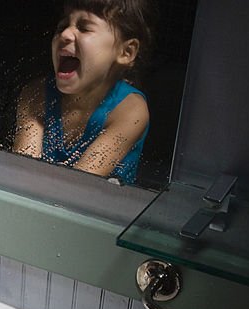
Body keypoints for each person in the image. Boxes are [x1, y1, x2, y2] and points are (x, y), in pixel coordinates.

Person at [13, 0, 153, 184]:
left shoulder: (129, 110)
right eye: (62, 26)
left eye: (84, 28)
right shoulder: (36, 95)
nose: (65, 34)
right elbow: (20, 177)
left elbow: (78, 187)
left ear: (126, 52)